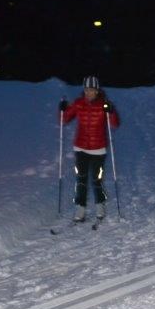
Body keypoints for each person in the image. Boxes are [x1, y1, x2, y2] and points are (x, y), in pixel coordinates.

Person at [60, 76, 120, 222]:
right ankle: (80, 209)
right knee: (80, 179)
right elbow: (65, 118)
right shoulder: (79, 103)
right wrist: (63, 109)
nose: (89, 93)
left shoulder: (103, 104)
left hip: (98, 149)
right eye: (87, 90)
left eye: (92, 90)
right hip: (80, 148)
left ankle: (100, 205)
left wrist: (111, 111)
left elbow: (115, 124)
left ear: (97, 91)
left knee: (96, 179)